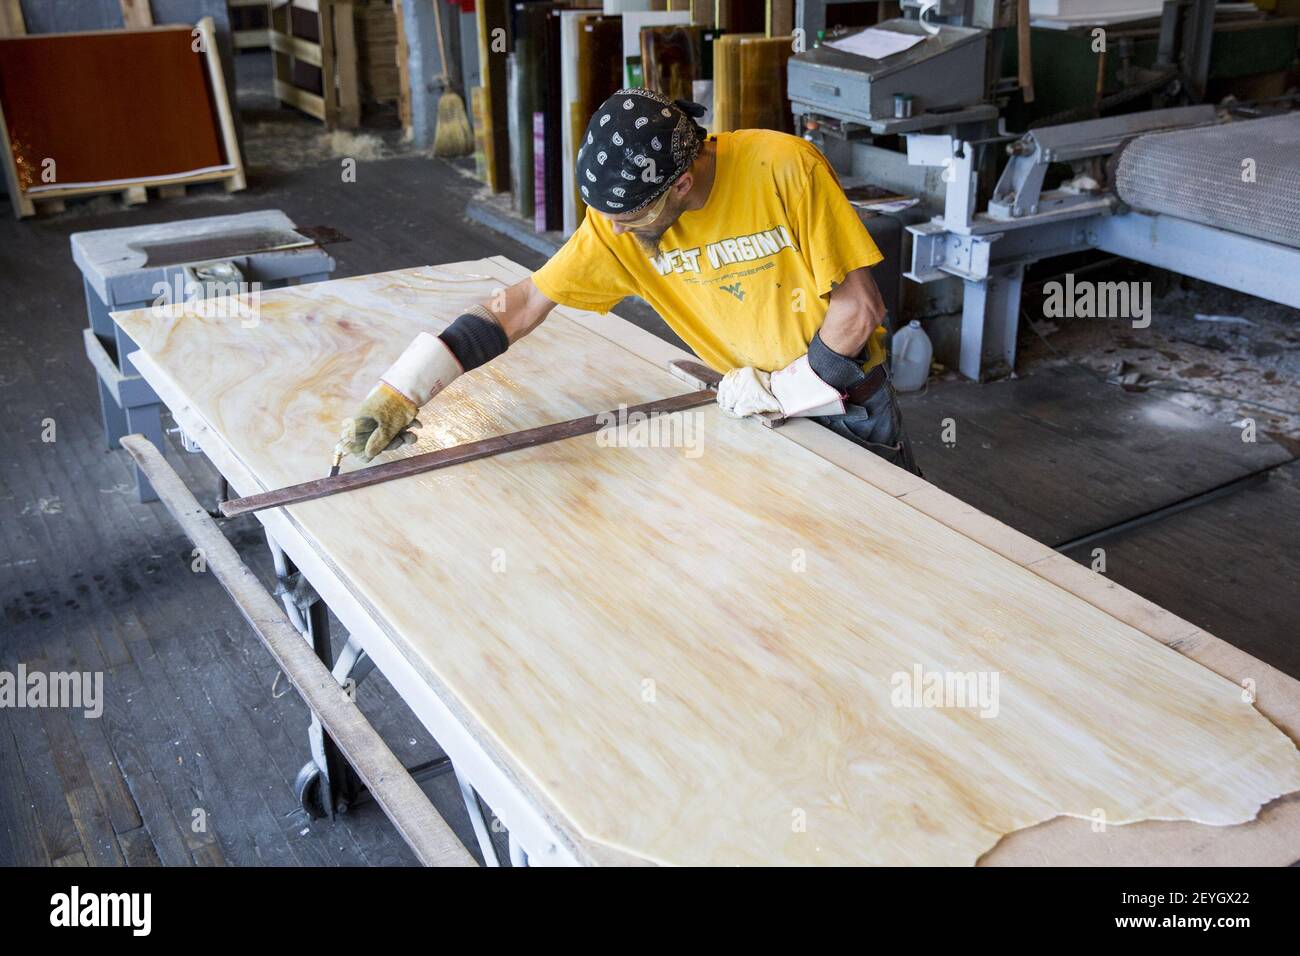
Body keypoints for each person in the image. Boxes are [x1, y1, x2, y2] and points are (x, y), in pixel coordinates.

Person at [339, 88, 920, 476]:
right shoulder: (620, 222)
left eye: (630, 216)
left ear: (683, 185)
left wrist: (783, 393)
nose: (614, 229)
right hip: (753, 410)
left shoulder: (784, 168)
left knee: (907, 566)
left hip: (844, 409)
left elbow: (858, 311)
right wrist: (402, 390)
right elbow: (517, 307)